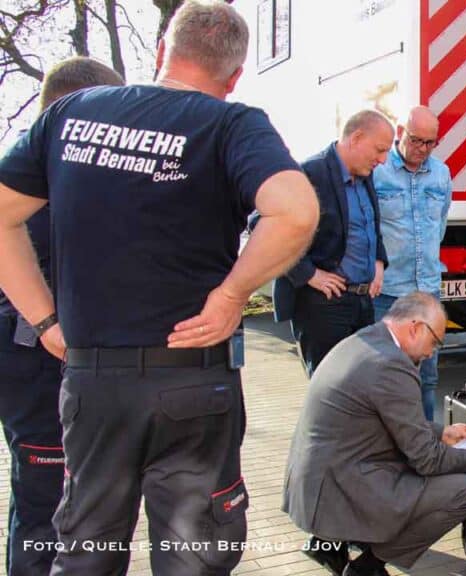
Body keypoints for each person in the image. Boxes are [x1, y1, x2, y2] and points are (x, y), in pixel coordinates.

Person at [0, 1, 320, 573]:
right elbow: (295, 211)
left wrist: (45, 320)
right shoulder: (230, 123)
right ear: (235, 76)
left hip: (94, 385)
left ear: (160, 52)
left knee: (85, 551)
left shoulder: (70, 112)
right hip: (192, 383)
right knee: (194, 556)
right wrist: (229, 296)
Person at [284, 292, 466, 576]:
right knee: (462, 490)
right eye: (434, 342)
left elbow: (383, 419)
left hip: (320, 481)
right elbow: (428, 461)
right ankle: (367, 568)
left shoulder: (367, 340)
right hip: (339, 489)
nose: (432, 352)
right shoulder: (392, 365)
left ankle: (333, 545)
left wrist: (441, 432)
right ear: (415, 327)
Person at [0, 56, 123, 576]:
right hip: (34, 364)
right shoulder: (32, 179)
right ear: (78, 110)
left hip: (64, 369)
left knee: (67, 502)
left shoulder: (65, 172)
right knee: (42, 505)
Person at [272, 109, 393, 377]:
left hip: (362, 303)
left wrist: (378, 260)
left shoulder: (365, 176)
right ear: (357, 137)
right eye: (380, 150)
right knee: (329, 390)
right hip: (324, 306)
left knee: (360, 389)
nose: (383, 160)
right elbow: (264, 224)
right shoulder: (310, 173)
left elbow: (369, 225)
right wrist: (309, 274)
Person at [372, 105, 452, 421]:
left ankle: (425, 447)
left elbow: (441, 224)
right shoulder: (378, 171)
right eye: (416, 140)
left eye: (429, 143)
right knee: (384, 377)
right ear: (401, 132)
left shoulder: (441, 174)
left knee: (427, 379)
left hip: (427, 292)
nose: (421, 149)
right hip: (389, 292)